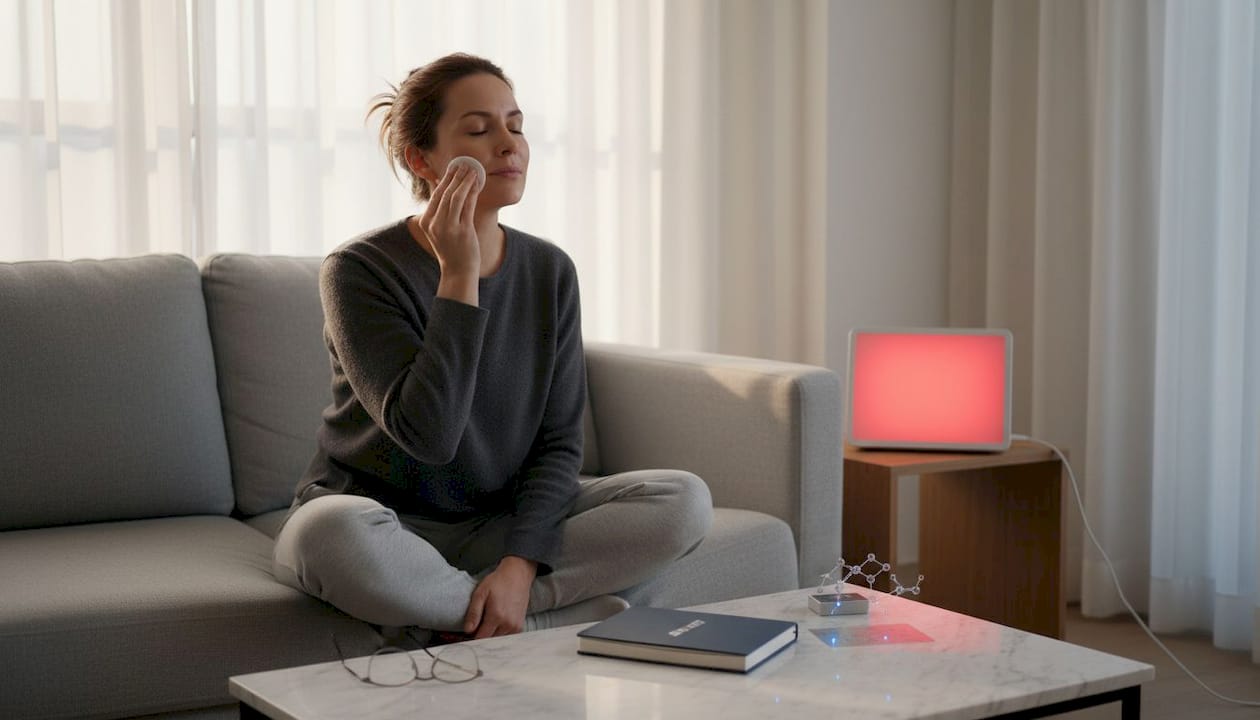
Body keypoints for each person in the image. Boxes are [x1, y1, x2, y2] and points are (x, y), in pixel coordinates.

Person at [272, 53, 713, 640]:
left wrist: (521, 564)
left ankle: (490, 609)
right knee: (330, 537)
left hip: (495, 522)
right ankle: (539, 623)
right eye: (479, 130)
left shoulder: (549, 270)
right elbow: (428, 435)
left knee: (683, 499)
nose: (510, 144)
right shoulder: (359, 270)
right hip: (379, 521)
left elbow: (559, 444)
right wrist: (460, 276)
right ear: (420, 158)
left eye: (516, 124)